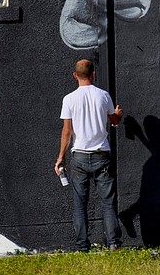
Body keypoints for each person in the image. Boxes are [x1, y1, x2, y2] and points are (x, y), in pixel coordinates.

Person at [55, 59, 124, 251]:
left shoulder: (69, 99)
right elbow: (114, 120)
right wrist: (118, 114)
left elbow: (67, 132)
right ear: (93, 74)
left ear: (75, 75)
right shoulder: (103, 96)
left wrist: (61, 157)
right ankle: (113, 244)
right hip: (102, 154)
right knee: (108, 203)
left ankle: (82, 246)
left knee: (80, 204)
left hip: (79, 156)